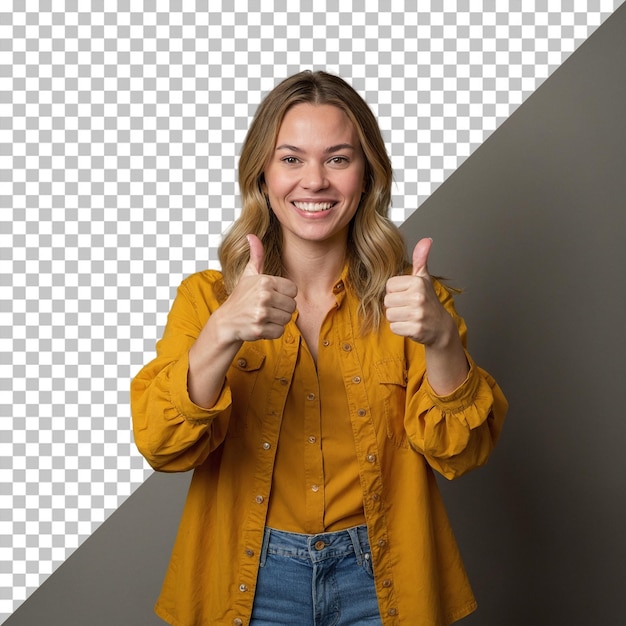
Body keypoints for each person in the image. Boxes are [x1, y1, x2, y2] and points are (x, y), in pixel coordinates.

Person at [131, 70, 508, 626]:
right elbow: (162, 446)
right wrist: (222, 333)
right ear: (262, 173)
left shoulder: (416, 302)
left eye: (337, 158)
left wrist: (442, 339)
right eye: (291, 159)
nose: (314, 181)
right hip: (251, 578)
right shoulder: (207, 299)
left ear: (367, 174)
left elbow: (462, 452)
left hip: (382, 577)